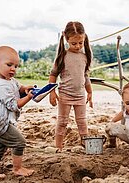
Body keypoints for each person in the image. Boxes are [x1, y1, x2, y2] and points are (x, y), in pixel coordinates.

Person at [0, 46, 35, 180]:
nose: (13, 69)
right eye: (9, 65)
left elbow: (19, 88)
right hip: (1, 124)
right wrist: (28, 98)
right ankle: (18, 169)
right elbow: (13, 105)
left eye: (16, 66)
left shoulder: (8, 79)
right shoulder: (1, 85)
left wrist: (26, 89)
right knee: (19, 142)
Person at [49, 21, 93, 151]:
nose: (78, 46)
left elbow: (85, 76)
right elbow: (53, 75)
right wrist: (52, 92)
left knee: (82, 122)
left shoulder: (84, 57)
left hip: (80, 95)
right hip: (65, 95)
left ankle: (86, 146)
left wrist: (89, 92)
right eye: (74, 43)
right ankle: (58, 147)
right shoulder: (62, 56)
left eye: (81, 43)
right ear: (66, 39)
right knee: (62, 122)